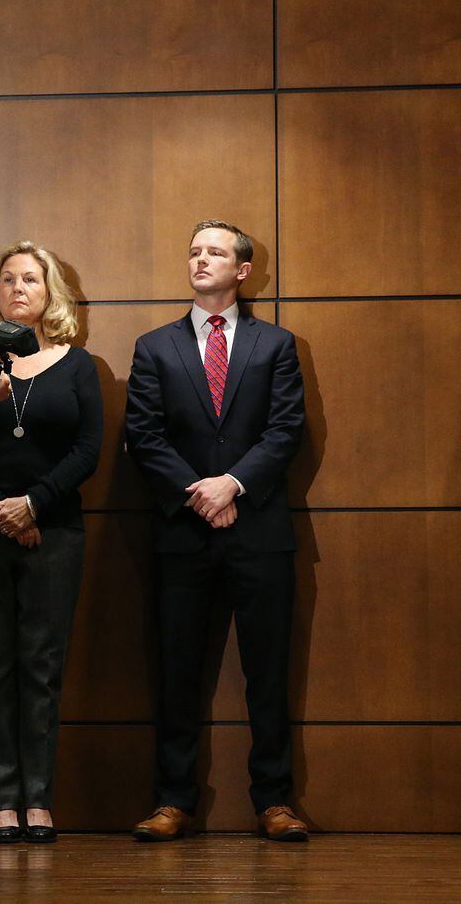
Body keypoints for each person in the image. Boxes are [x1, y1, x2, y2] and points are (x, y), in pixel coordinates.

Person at [124, 219, 307, 843]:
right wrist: (199, 494)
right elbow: (143, 436)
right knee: (177, 671)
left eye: (216, 252)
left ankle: (276, 802)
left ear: (243, 270)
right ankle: (172, 801)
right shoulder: (154, 347)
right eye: (194, 250)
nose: (202, 260)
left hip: (259, 529)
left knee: (269, 673)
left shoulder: (277, 344)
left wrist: (231, 485)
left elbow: (285, 431)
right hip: (183, 532)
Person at [0, 241, 102, 844]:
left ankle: (38, 799)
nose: (17, 288)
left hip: (54, 528)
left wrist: (34, 503)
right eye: (7, 279)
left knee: (41, 666)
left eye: (30, 279)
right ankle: (2, 802)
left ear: (49, 292)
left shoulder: (78, 365)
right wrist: (2, 510)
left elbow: (87, 450)